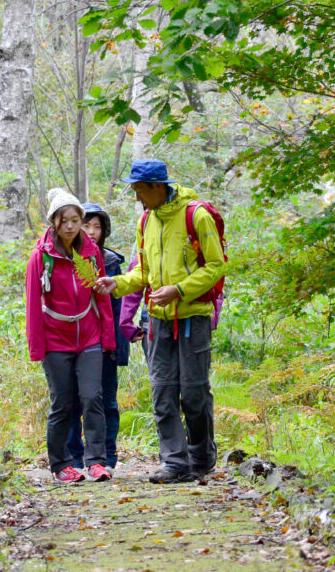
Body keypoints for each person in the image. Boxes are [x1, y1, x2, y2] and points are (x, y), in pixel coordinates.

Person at [95, 160, 225, 484]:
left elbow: (216, 266)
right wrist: (117, 283)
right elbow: (144, 272)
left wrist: (179, 290)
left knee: (194, 393)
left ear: (158, 186)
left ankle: (201, 458)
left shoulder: (197, 216)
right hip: (157, 319)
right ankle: (175, 463)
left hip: (193, 317)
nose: (137, 197)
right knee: (162, 393)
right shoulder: (145, 221)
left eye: (140, 190)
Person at [25, 188, 116, 483]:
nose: (70, 226)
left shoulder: (90, 253)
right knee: (63, 403)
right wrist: (37, 347)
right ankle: (61, 464)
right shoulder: (41, 257)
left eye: (75, 220)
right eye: (63, 220)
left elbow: (101, 296)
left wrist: (108, 338)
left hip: (89, 336)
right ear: (54, 221)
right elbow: (33, 305)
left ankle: (97, 462)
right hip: (55, 340)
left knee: (93, 397)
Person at [67, 202, 130, 470]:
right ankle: (73, 457)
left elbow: (118, 308)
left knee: (106, 401)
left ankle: (107, 457)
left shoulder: (111, 262)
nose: (92, 232)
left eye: (97, 227)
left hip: (105, 342)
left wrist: (118, 344)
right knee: (71, 401)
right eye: (86, 225)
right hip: (72, 341)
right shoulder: (62, 258)